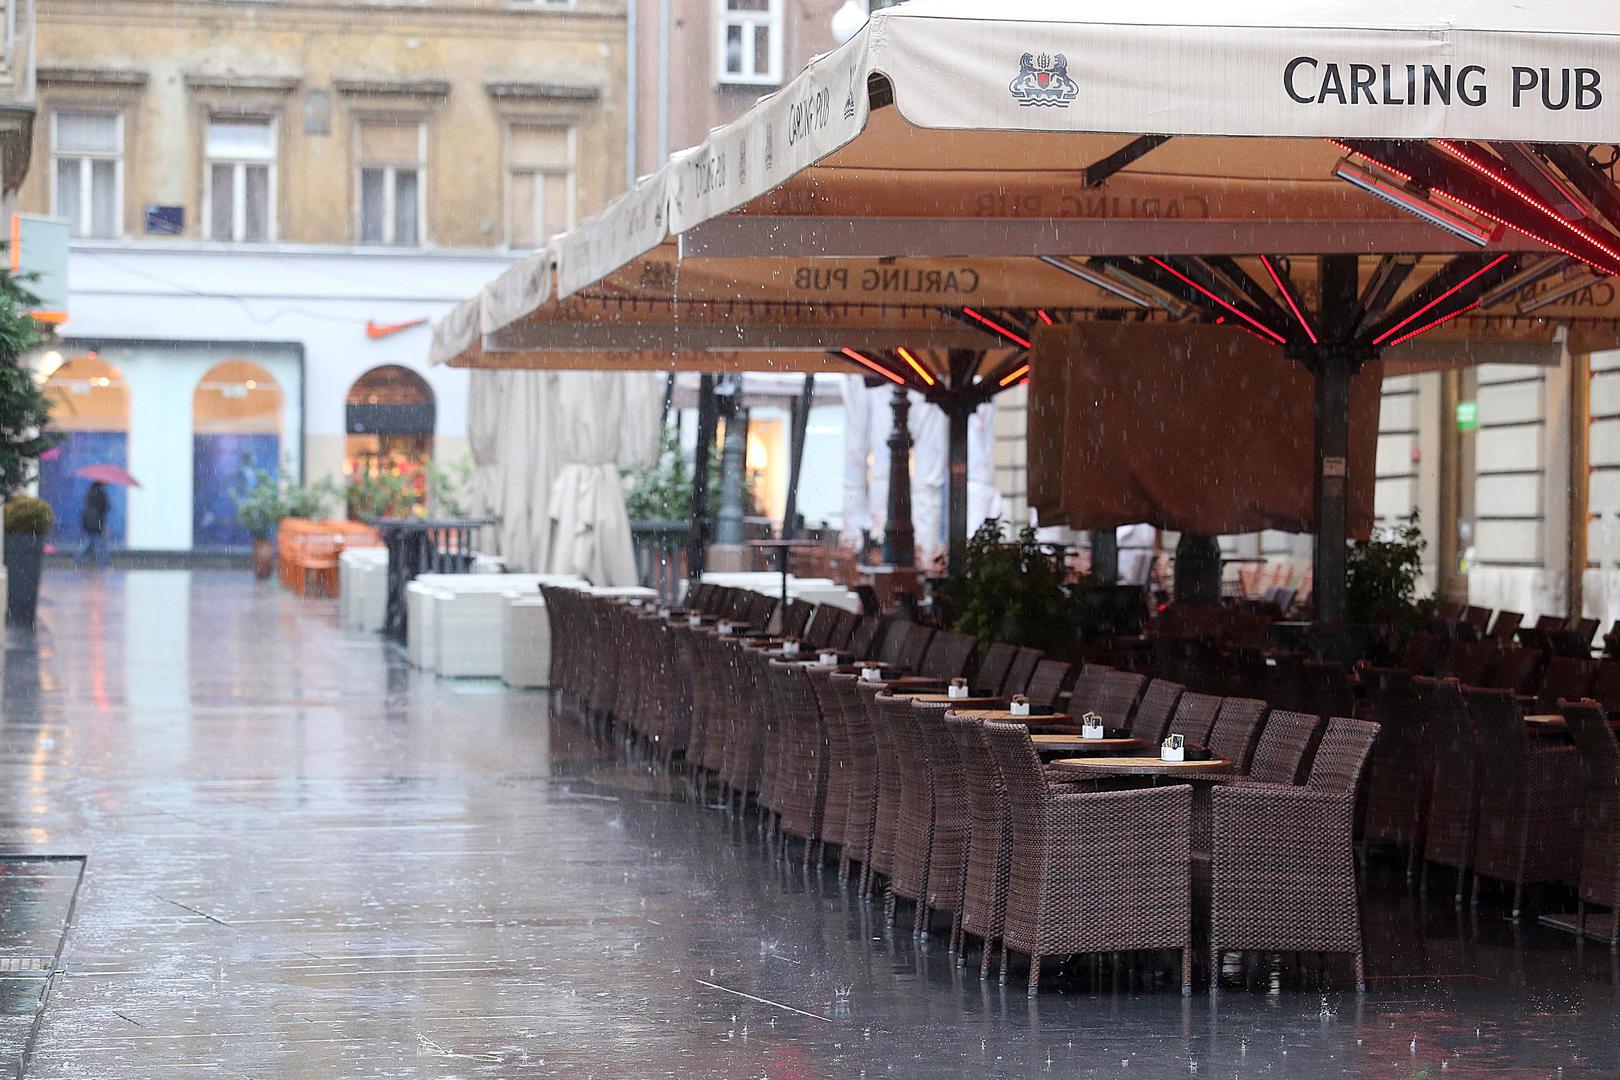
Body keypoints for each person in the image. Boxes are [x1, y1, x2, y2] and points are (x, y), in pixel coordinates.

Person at [76, 481, 111, 569]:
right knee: (101, 544)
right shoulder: (100, 494)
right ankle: (102, 565)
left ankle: (78, 559)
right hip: (96, 523)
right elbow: (103, 508)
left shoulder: (91, 492)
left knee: (92, 544)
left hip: (90, 523)